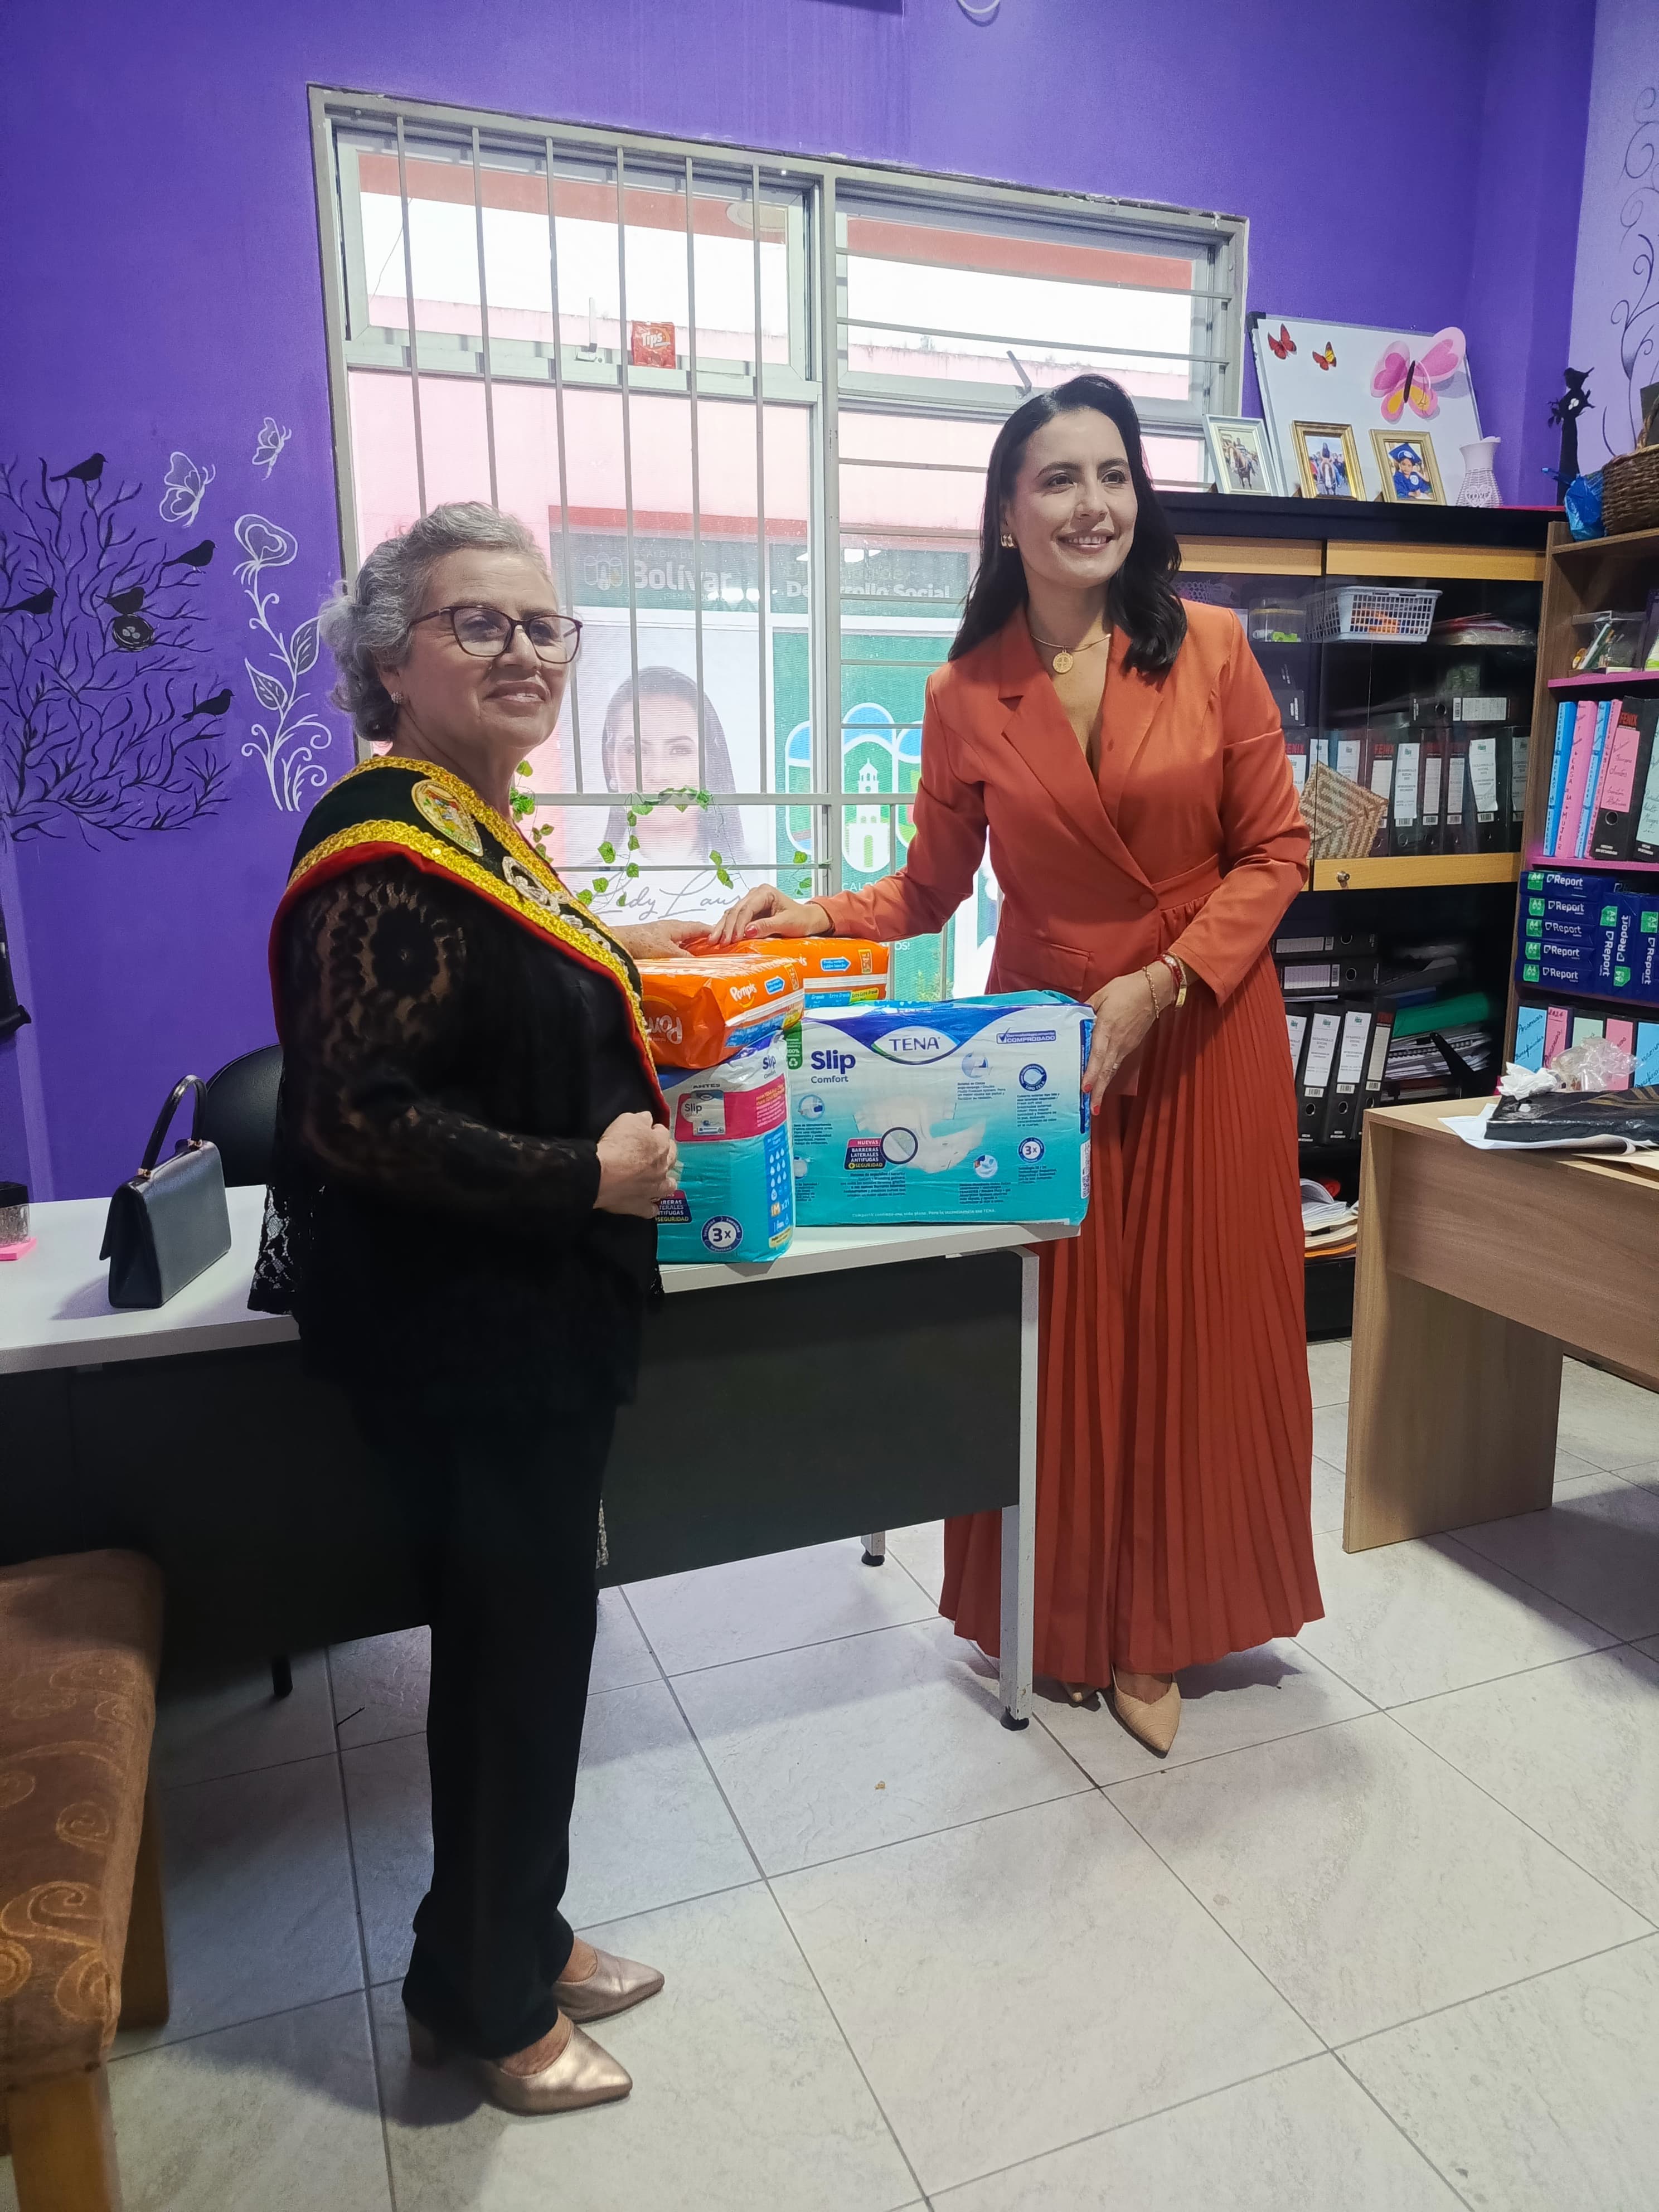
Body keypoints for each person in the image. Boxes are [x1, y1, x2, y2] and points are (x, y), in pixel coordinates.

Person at [711, 374, 1321, 1756]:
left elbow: (1277, 850)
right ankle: (1066, 1608)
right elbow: (929, 887)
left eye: (1113, 474)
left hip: (1203, 1016)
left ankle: (1163, 1622)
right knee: (1062, 1330)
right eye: (1058, 478)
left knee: (1199, 1321)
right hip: (1049, 1040)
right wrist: (815, 913)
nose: (1091, 504)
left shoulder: (1213, 647)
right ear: (1005, 514)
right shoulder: (964, 690)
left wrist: (1163, 982)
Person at [251, 503, 701, 2113]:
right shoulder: (378, 843)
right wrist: (589, 1173)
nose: (525, 650)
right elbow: (356, 1120)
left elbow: (486, 1011)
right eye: (480, 623)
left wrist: (618, 956)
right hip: (472, 1336)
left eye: (544, 624)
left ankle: (507, 1934)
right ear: (393, 659)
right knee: (516, 1661)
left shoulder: (470, 820)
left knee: (536, 1652)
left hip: (527, 1325)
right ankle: (493, 2008)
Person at [594, 665, 748, 920]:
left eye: (679, 750)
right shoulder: (574, 885)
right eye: (637, 751)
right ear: (611, 763)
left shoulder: (755, 879)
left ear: (709, 762)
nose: (658, 774)